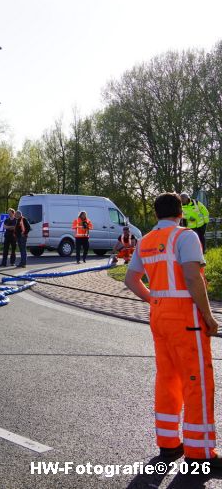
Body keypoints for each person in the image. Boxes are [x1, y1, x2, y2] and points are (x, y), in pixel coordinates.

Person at [124, 192, 220, 469]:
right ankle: (199, 452)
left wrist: (155, 297)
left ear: (155, 214)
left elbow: (131, 279)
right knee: (197, 381)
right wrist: (209, 316)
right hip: (185, 318)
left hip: (159, 315)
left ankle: (168, 443)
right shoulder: (185, 237)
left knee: (167, 378)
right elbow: (192, 277)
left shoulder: (147, 240)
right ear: (181, 212)